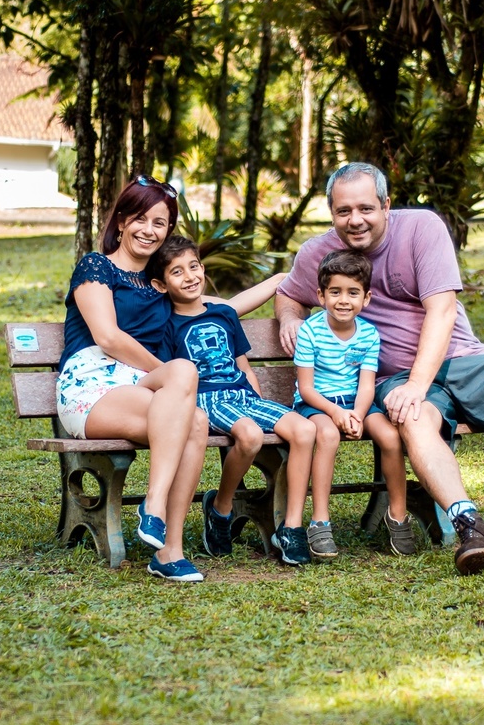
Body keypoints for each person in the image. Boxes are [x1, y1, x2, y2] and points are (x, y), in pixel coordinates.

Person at [275, 162, 484, 576]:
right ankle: (470, 526)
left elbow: (442, 310)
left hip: (462, 358)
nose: (355, 220)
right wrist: (290, 318)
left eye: (366, 208)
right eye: (343, 211)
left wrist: (419, 382)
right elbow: (287, 294)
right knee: (413, 418)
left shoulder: (421, 227)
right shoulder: (318, 253)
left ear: (386, 205)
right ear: (331, 212)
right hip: (394, 377)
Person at [56, 175, 208, 582]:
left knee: (196, 420)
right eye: (140, 218)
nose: (149, 230)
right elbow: (107, 337)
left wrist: (288, 280)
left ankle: (168, 552)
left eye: (160, 223)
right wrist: (160, 370)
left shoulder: (161, 282)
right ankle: (155, 507)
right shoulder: (96, 266)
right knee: (184, 388)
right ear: (121, 221)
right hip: (91, 383)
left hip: (140, 386)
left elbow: (217, 305)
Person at [147, 236, 323, 565]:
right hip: (205, 400)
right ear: (160, 284)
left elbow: (243, 365)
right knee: (251, 435)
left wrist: (256, 400)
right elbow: (171, 378)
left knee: (304, 430)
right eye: (177, 272)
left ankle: (292, 526)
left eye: (194, 266)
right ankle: (221, 508)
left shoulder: (224, 314)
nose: (190, 276)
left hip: (242, 395)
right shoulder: (166, 324)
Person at [291, 250, 411, 556]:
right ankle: (320, 521)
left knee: (389, 436)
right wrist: (337, 414)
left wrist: (357, 414)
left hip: (355, 403)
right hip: (316, 405)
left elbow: (367, 385)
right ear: (321, 296)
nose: (344, 300)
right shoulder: (310, 331)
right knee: (328, 435)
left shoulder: (369, 334)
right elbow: (306, 389)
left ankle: (397, 515)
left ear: (366, 298)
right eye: (335, 292)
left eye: (353, 293)